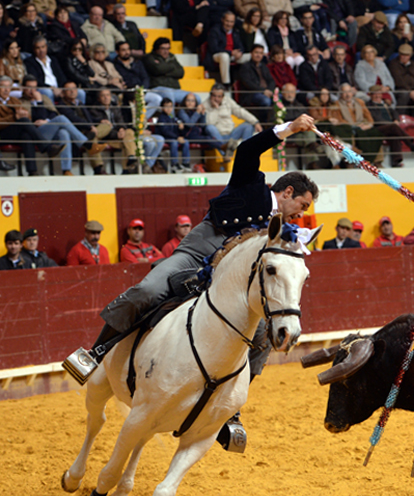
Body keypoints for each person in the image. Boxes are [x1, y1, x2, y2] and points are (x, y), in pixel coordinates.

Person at [63, 114, 320, 388]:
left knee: (260, 335)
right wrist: (289, 129)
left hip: (229, 279)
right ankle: (95, 353)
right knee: (148, 291)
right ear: (288, 191)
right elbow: (247, 149)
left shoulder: (277, 228)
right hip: (196, 254)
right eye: (302, 205)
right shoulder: (252, 185)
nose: (300, 214)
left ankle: (232, 405)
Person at [19, 75, 103, 176]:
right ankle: (87, 144)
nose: (32, 91)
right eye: (29, 87)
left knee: (64, 132)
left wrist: (48, 121)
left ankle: (66, 170)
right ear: (23, 88)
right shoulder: (21, 102)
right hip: (36, 134)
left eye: (35, 87)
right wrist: (39, 102)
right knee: (61, 119)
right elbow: (35, 120)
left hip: (48, 130)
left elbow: (53, 113)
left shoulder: (44, 98)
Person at [201, 83, 260, 163]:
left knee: (248, 126)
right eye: (214, 96)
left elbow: (240, 111)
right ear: (210, 95)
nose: (216, 99)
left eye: (219, 96)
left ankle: (246, 152)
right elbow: (209, 122)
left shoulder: (227, 101)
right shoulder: (205, 105)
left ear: (223, 96)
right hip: (218, 136)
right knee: (210, 128)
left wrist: (255, 121)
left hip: (231, 134)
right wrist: (215, 108)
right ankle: (225, 151)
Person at [0, 75, 45, 177]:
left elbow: (27, 116)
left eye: (8, 87)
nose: (6, 90)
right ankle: (44, 145)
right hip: (2, 134)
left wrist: (24, 115)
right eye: (3, 86)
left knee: (26, 135)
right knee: (23, 122)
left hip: (14, 132)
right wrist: (14, 117)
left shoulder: (14, 100)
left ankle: (32, 171)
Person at [366, 84, 414, 167]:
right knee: (394, 128)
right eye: (375, 94)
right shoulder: (369, 106)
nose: (377, 96)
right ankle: (410, 143)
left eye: (379, 93)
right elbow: (376, 119)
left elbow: (394, 112)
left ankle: (396, 161)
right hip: (378, 128)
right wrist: (391, 124)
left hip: (391, 128)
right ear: (371, 95)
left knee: (395, 134)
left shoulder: (385, 104)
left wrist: (396, 120)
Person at [330, 83, 382, 162]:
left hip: (363, 126)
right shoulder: (337, 104)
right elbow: (339, 121)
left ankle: (375, 160)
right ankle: (364, 160)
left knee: (376, 133)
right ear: (341, 94)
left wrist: (368, 125)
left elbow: (369, 118)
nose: (347, 95)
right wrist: (354, 125)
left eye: (349, 92)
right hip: (350, 128)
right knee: (360, 134)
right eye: (345, 92)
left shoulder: (360, 102)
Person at [114, 41, 163, 120]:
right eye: (123, 50)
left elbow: (145, 77)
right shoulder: (115, 65)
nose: (127, 52)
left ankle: (141, 119)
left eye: (128, 49)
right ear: (117, 52)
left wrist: (142, 90)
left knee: (157, 99)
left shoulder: (137, 62)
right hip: (128, 92)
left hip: (141, 90)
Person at [209, 11, 251, 88]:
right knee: (225, 56)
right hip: (218, 55)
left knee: (251, 56)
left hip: (233, 55)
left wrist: (240, 52)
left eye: (231, 22)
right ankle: (226, 84)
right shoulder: (215, 31)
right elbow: (214, 48)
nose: (229, 24)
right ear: (222, 20)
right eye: (227, 21)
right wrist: (230, 52)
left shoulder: (236, 31)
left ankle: (249, 81)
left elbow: (241, 46)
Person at [144, 37, 188, 105]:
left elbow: (181, 72)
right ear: (157, 49)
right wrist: (172, 66)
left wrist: (164, 71)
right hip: (157, 88)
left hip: (174, 88)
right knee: (168, 94)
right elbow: (157, 69)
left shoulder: (171, 57)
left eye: (168, 49)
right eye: (163, 48)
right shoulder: (149, 57)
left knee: (193, 97)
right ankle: (171, 116)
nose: (166, 51)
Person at [238, 44, 276, 118]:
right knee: (266, 101)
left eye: (261, 53)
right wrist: (263, 91)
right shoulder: (245, 67)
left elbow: (271, 80)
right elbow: (248, 84)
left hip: (266, 92)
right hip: (252, 94)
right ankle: (263, 122)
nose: (258, 55)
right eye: (256, 53)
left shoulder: (264, 67)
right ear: (251, 53)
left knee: (281, 97)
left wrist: (270, 90)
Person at [156, 98, 191, 173]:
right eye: (166, 107)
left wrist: (181, 128)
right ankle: (174, 164)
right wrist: (177, 137)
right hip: (165, 137)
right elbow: (165, 131)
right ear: (162, 108)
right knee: (174, 143)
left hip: (174, 137)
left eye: (170, 106)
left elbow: (176, 130)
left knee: (186, 142)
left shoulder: (173, 117)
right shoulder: (161, 118)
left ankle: (186, 163)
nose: (169, 109)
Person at [388, 43, 414, 114]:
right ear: (399, 54)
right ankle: (399, 117)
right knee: (404, 94)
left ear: (410, 56)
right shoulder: (393, 64)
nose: (404, 57)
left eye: (407, 55)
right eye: (402, 55)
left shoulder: (413, 64)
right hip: (400, 89)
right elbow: (398, 80)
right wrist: (410, 91)